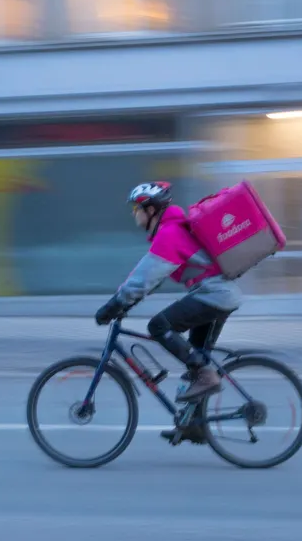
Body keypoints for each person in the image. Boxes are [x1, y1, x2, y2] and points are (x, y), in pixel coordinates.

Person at [95, 181, 243, 444]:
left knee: (159, 327)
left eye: (136, 209)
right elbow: (153, 279)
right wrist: (127, 302)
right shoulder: (172, 231)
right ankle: (194, 426)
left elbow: (143, 278)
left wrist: (114, 305)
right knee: (195, 359)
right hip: (217, 295)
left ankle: (206, 375)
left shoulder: (169, 233)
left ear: (150, 209)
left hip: (213, 296)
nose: (134, 214)